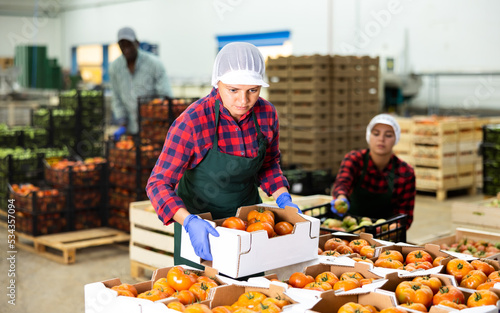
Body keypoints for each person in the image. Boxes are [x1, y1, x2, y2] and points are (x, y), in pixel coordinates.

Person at [146, 42, 301, 266]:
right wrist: (188, 221)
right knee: (199, 293)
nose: (243, 101)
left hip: (250, 223)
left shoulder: (267, 114)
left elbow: (268, 164)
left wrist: (283, 197)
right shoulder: (193, 121)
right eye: (233, 90)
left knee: (250, 293)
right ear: (217, 82)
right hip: (202, 224)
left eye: (253, 90)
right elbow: (157, 183)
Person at [330, 114, 416, 228]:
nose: (381, 139)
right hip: (349, 229)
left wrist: (395, 228)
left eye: (388, 135)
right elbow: (342, 183)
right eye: (376, 134)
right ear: (368, 136)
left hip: (384, 234)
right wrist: (341, 199)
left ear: (396, 139)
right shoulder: (354, 160)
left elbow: (405, 215)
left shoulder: (405, 173)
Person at [109, 26, 172, 140]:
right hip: (130, 128)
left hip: (154, 128)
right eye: (122, 45)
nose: (126, 48)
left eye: (129, 44)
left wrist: (154, 114)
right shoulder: (115, 68)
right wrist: (122, 120)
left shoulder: (154, 64)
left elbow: (165, 95)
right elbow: (116, 97)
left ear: (137, 43)